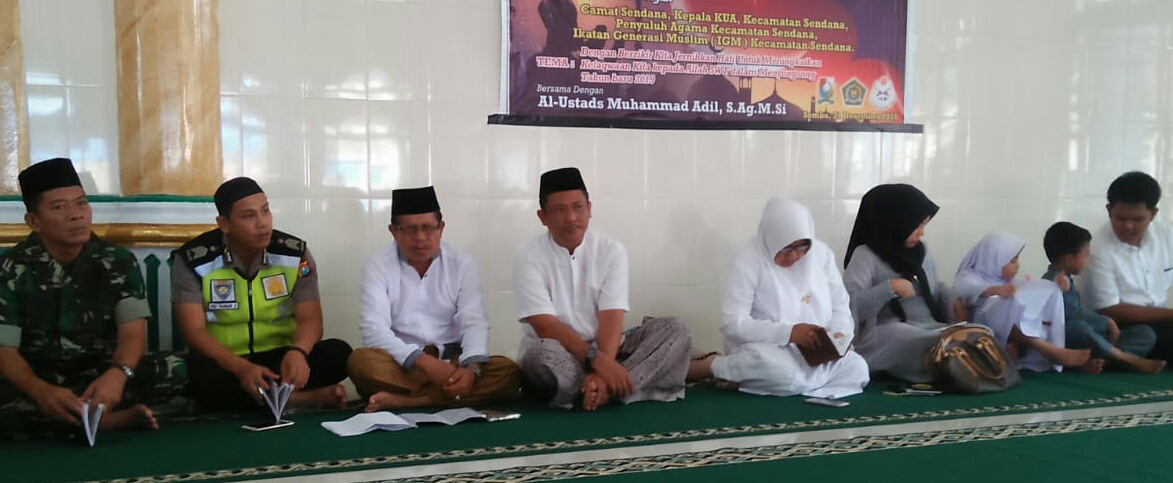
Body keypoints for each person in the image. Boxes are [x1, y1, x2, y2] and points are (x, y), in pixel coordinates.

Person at [0, 158, 185, 440]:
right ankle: (105, 421)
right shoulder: (10, 268)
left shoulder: (118, 261)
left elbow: (133, 336)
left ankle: (80, 418)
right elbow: (5, 351)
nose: (76, 215)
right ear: (33, 221)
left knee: (173, 368)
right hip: (37, 380)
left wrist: (117, 375)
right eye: (59, 207)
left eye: (82, 204)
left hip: (100, 378)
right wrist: (42, 391)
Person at [514, 167, 691, 411]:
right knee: (538, 359)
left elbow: (611, 317)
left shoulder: (611, 250)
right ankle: (618, 386)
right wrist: (597, 362)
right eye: (560, 210)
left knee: (675, 329)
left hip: (609, 351)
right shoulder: (528, 257)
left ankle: (598, 389)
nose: (571, 217)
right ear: (542, 217)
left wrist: (603, 366)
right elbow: (545, 326)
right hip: (561, 356)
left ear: (590, 209)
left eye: (578, 207)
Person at [172, 177, 351, 412]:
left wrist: (298, 352)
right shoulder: (194, 259)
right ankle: (299, 399)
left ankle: (253, 400)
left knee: (339, 353)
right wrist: (241, 368)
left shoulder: (293, 253)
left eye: (265, 211)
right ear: (224, 223)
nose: (263, 223)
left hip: (280, 358)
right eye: (249, 216)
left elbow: (311, 319)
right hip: (226, 362)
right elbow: (193, 332)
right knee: (180, 371)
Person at [348, 186, 521, 411]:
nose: (420, 238)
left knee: (508, 371)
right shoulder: (377, 266)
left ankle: (412, 401)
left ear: (441, 228)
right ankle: (451, 395)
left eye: (428, 228)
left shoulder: (462, 263)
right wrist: (425, 363)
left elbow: (474, 322)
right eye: (410, 229)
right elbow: (374, 331)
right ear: (393, 231)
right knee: (360, 363)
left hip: (452, 360)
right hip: (403, 364)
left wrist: (471, 370)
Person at [687, 198, 868, 398]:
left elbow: (840, 305)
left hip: (817, 351)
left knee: (858, 369)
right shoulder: (746, 262)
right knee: (780, 371)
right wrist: (789, 333)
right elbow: (733, 324)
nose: (794, 256)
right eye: (786, 248)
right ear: (772, 239)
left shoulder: (821, 255)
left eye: (802, 247)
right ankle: (712, 366)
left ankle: (762, 381)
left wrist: (838, 336)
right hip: (768, 348)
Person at [841, 184, 966, 383]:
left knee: (978, 332)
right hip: (888, 330)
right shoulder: (865, 255)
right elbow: (850, 305)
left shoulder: (921, 251)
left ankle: (951, 361)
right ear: (895, 222)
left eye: (924, 225)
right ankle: (950, 363)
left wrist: (952, 298)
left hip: (930, 326)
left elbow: (934, 286)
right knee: (905, 335)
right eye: (916, 226)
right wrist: (888, 288)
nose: (921, 233)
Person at [954, 232, 1089, 372]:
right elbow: (965, 289)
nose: (1017, 266)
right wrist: (993, 290)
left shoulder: (1006, 281)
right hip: (980, 323)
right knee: (1007, 304)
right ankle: (1046, 349)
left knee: (1026, 300)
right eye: (1012, 261)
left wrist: (1052, 286)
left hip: (1003, 328)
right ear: (994, 260)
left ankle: (1018, 349)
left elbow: (1028, 288)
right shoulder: (969, 276)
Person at [1042, 222, 1164, 373]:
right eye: (1085, 255)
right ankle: (1127, 359)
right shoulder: (1053, 283)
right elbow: (1068, 318)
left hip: (1089, 335)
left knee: (1144, 332)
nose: (1087, 260)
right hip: (1068, 337)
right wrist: (1106, 322)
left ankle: (1105, 361)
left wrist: (1106, 323)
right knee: (1078, 328)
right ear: (1069, 259)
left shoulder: (1067, 279)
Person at [1084, 171, 1173, 360]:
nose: (1128, 226)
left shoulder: (1166, 235)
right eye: (1121, 218)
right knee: (1147, 335)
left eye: (1137, 219)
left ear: (1153, 214)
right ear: (1109, 210)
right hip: (1121, 326)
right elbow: (1109, 309)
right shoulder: (1097, 248)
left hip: (1162, 319)